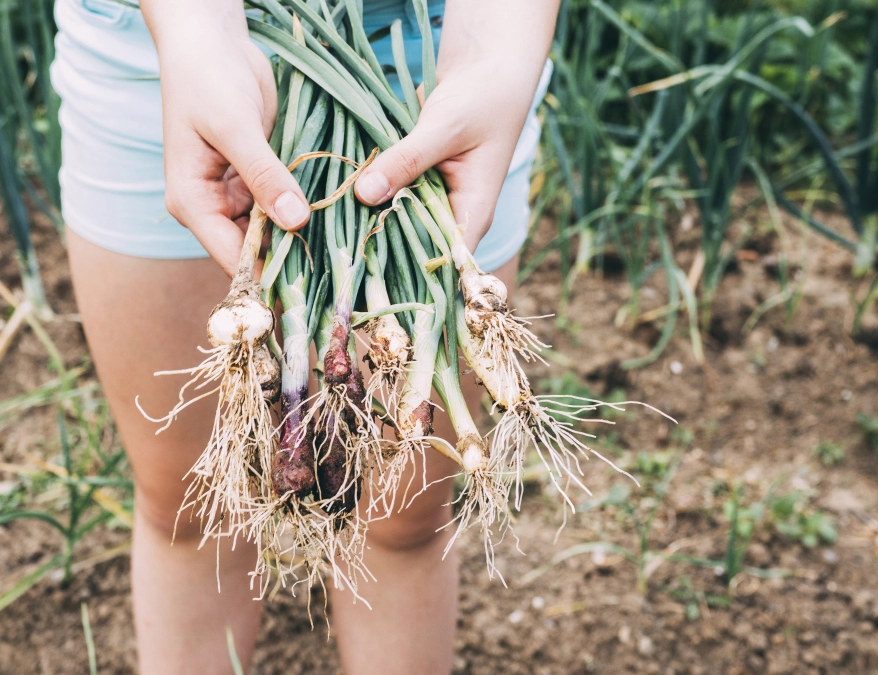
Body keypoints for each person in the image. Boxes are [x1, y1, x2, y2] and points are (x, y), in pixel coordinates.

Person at [50, 1, 557, 672]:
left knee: (407, 517)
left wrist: (498, 54)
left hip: (439, 63)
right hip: (170, 47)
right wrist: (193, 28)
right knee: (191, 503)